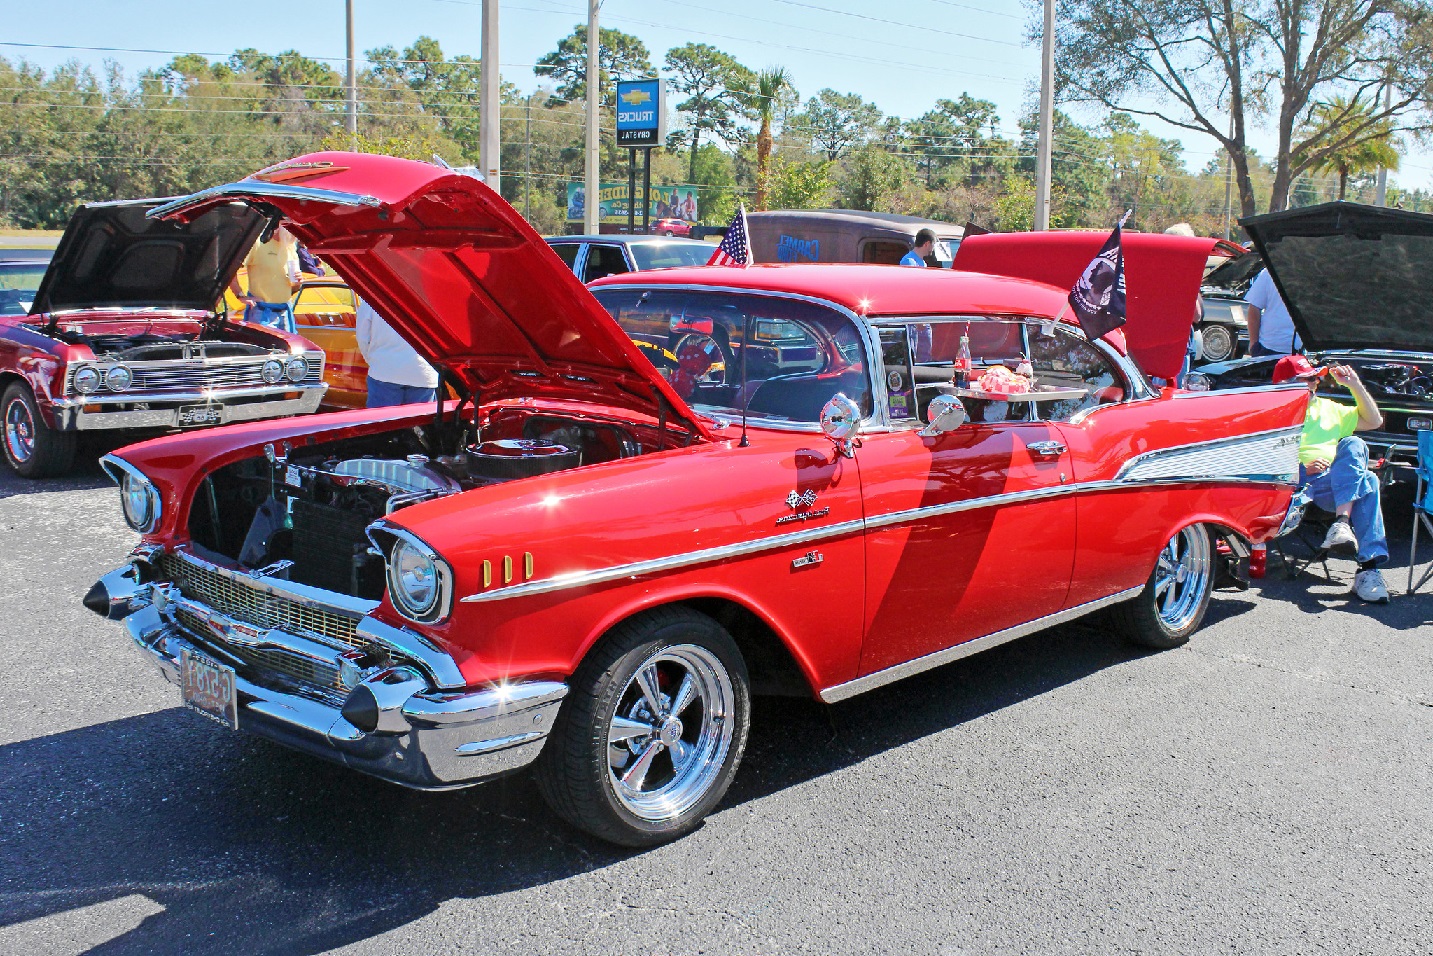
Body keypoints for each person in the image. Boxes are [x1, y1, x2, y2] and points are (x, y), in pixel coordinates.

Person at [1275, 354, 1390, 602]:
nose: (1311, 384)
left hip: (1332, 485)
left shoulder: (1329, 408)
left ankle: (1342, 525)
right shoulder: (1273, 413)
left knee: (1354, 444)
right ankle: (1368, 570)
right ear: (1283, 385)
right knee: (1368, 482)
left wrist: (1355, 384)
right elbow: (1260, 461)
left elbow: (1374, 421)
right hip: (1295, 487)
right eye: (1303, 380)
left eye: (1313, 379)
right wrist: (1301, 467)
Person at [355, 298, 440, 407]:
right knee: (418, 422)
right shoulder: (430, 299)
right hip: (423, 373)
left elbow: (362, 337)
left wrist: (374, 361)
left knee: (382, 422)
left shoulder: (372, 298)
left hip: (384, 371)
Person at [228, 226, 300, 333]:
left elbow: (293, 288)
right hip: (261, 312)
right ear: (280, 225)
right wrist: (240, 296)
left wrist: (298, 283)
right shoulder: (259, 244)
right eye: (293, 225)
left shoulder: (290, 249)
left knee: (288, 349)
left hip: (285, 311)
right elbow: (230, 269)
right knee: (263, 348)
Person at [1245, 267, 1302, 357]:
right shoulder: (1269, 272)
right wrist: (1253, 344)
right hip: (1270, 349)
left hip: (1308, 352)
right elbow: (1254, 307)